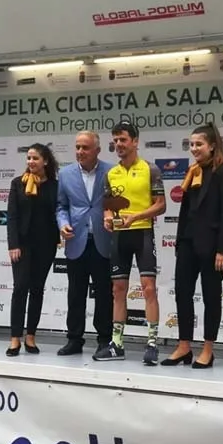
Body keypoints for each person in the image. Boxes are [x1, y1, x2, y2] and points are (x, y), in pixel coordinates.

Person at [162, 123, 223, 369]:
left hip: (213, 246)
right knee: (182, 293)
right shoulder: (192, 171)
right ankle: (184, 346)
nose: (194, 148)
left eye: (199, 144)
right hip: (187, 242)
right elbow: (186, 211)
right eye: (191, 144)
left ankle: (207, 350)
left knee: (211, 297)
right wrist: (179, 240)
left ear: (212, 146)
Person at [96, 121, 166, 365]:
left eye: (123, 140)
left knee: (149, 288)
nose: (118, 144)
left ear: (135, 141)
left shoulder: (150, 169)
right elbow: (108, 207)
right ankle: (117, 344)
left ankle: (152, 344)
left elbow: (161, 205)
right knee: (118, 290)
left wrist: (135, 217)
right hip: (119, 236)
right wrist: (107, 219)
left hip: (142, 233)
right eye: (115, 140)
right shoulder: (111, 174)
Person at [55, 131, 115, 356]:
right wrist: (63, 223)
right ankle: (74, 339)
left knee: (104, 294)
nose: (80, 151)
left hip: (103, 241)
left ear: (97, 150)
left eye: (85, 147)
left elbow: (117, 203)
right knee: (75, 293)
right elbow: (61, 206)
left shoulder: (112, 172)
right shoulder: (65, 174)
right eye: (78, 147)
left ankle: (105, 339)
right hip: (76, 241)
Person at [6, 143, 60, 357]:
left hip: (46, 245)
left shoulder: (55, 186)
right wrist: (13, 244)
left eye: (35, 158)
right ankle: (15, 338)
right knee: (20, 288)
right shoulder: (18, 183)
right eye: (28, 158)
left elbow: (58, 212)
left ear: (45, 161)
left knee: (37, 289)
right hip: (22, 245)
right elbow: (12, 216)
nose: (30, 162)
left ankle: (30, 336)